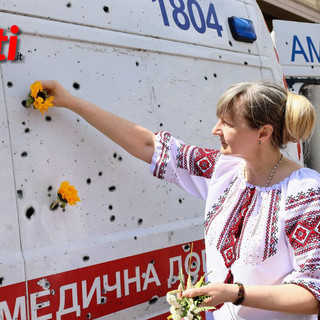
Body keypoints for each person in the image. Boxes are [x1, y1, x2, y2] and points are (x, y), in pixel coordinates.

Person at [40, 79, 320, 319]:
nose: (215, 129)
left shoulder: (304, 193)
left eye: (228, 123)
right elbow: (149, 144)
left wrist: (236, 294)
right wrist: (70, 101)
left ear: (263, 133)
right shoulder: (223, 171)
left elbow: (312, 292)